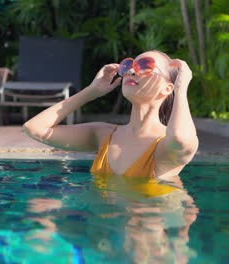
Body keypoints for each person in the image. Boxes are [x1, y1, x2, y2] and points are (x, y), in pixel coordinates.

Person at [23, 50, 199, 180]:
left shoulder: (166, 146)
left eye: (145, 66)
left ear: (167, 88)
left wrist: (181, 90)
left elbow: (181, 140)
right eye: (129, 66)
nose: (132, 71)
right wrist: (91, 91)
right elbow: (34, 129)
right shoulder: (103, 134)